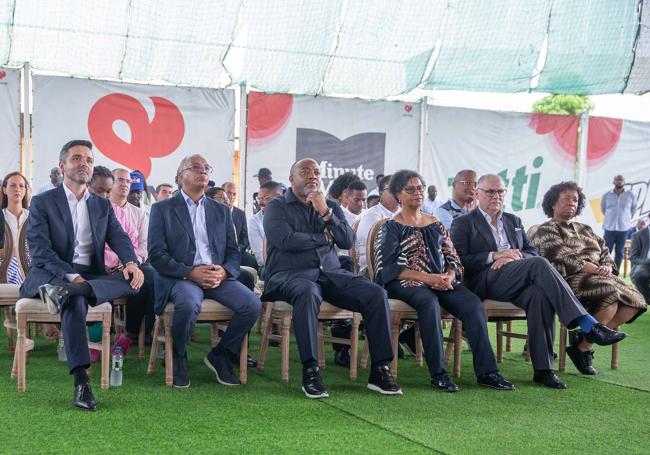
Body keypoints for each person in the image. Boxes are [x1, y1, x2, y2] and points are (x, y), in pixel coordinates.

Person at [450, 174, 626, 389]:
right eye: (490, 192)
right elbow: (458, 259)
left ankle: (543, 369)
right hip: (483, 279)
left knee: (539, 295)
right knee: (540, 264)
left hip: (515, 278)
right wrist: (494, 256)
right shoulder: (463, 222)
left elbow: (530, 251)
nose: (496, 196)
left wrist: (515, 256)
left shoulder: (513, 220)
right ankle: (587, 323)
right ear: (477, 193)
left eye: (500, 192)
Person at [20, 139, 144, 411]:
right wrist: (72, 277)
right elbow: (40, 251)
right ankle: (81, 381)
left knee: (134, 280)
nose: (84, 164)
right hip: (53, 272)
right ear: (62, 165)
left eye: (88, 160)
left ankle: (75, 291)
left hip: (90, 276)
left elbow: (119, 238)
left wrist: (131, 262)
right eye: (77, 158)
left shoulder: (101, 205)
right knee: (75, 300)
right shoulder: (43, 203)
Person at [263, 158, 401, 399]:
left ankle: (380, 369)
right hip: (290, 275)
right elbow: (284, 240)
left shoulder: (330, 207)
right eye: (304, 172)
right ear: (291, 179)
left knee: (375, 293)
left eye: (316, 171)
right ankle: (311, 370)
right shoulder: (276, 207)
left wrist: (325, 213)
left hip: (330, 274)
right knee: (308, 292)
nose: (312, 176)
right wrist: (323, 239)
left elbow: (346, 240)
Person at [374, 170, 514, 391]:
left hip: (441, 280)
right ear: (398, 195)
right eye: (410, 189)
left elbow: (453, 258)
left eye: (420, 188)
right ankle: (439, 373)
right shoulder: (391, 226)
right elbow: (389, 268)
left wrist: (449, 275)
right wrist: (428, 278)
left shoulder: (436, 223)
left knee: (472, 305)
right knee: (429, 304)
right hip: (407, 281)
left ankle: (488, 372)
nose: (417, 193)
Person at [148, 155, 261, 388]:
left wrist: (225, 272)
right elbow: (157, 254)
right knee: (188, 303)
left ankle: (220, 353)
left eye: (206, 168)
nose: (203, 172)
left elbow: (233, 251)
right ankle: (179, 356)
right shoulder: (162, 209)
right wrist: (190, 272)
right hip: (182, 276)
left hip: (217, 276)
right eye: (196, 168)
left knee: (252, 304)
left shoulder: (221, 210)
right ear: (181, 177)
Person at [531, 182, 646, 375]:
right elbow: (559, 255)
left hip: (602, 276)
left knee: (636, 300)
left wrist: (608, 266)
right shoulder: (545, 229)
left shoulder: (586, 229)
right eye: (566, 198)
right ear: (553, 203)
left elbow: (605, 252)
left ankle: (583, 345)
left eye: (575, 199)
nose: (571, 203)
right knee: (609, 294)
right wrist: (595, 270)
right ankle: (584, 345)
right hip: (567, 280)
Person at [109, 168, 155, 350]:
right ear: (111, 183)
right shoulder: (101, 209)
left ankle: (132, 332)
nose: (124, 184)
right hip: (106, 267)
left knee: (151, 276)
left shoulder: (139, 213)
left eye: (127, 181)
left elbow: (144, 247)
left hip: (133, 265)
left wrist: (130, 263)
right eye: (120, 180)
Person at [356, 174, 399, 273]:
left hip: (398, 267)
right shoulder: (372, 215)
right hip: (372, 270)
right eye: (392, 189)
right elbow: (384, 247)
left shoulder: (404, 213)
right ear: (381, 193)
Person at [601, 175, 637, 270]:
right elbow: (603, 209)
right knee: (606, 250)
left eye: (621, 180)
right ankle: (605, 271)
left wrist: (625, 219)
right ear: (614, 181)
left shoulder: (630, 195)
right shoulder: (606, 195)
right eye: (617, 180)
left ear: (624, 182)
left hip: (623, 228)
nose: (619, 181)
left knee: (620, 252)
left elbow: (633, 209)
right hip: (609, 227)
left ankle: (615, 272)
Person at [2, 172, 31, 286]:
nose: (17, 189)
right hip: (5, 265)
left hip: (29, 263)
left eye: (21, 186)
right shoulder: (1, 216)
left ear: (25, 190)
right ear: (4, 189)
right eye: (12, 185)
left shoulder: (34, 217)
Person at [248, 180, 283, 271]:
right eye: (259, 198)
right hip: (269, 267)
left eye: (265, 198)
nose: (260, 203)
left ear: (279, 197)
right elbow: (261, 258)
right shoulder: (254, 221)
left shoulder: (292, 215)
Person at [222, 181, 258, 271]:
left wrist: (239, 248)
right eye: (229, 193)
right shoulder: (215, 212)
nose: (232, 197)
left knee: (252, 261)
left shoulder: (240, 214)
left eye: (234, 194)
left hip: (237, 250)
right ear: (223, 194)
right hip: (220, 251)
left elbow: (245, 237)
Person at [630, 221, 650, 304]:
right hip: (645, 263)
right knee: (639, 275)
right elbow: (634, 258)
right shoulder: (637, 235)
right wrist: (647, 261)